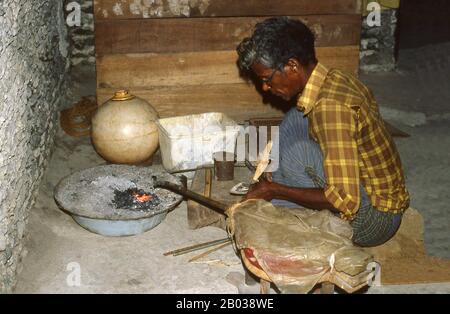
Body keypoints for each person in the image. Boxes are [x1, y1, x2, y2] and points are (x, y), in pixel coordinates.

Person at [237, 17, 410, 247]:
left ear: (292, 66)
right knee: (298, 115)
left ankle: (276, 189)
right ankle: (276, 182)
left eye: (267, 78)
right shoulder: (334, 78)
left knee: (297, 156)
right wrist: (272, 165)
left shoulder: (332, 108)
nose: (265, 87)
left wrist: (275, 189)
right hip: (367, 188)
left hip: (374, 220)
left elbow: (345, 201)